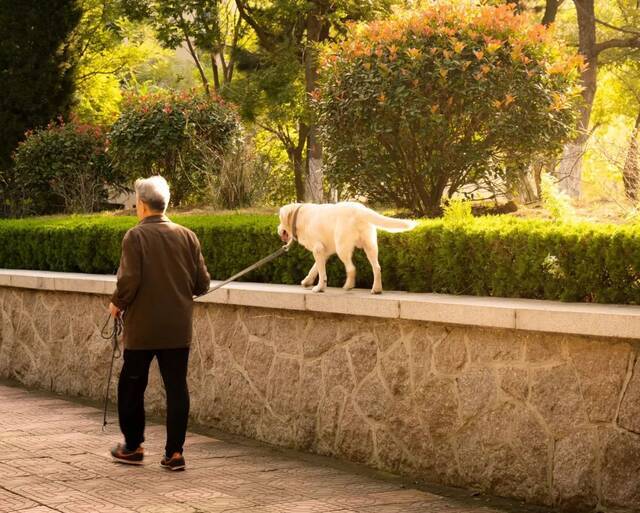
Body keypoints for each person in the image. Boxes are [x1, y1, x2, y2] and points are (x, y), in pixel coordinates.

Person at [108, 175, 210, 471]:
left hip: (143, 329)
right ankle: (175, 453)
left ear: (141, 205)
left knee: (131, 385)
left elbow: (129, 280)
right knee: (177, 387)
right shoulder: (188, 235)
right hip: (178, 329)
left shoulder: (135, 236)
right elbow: (201, 283)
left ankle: (133, 446)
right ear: (165, 203)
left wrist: (117, 303)